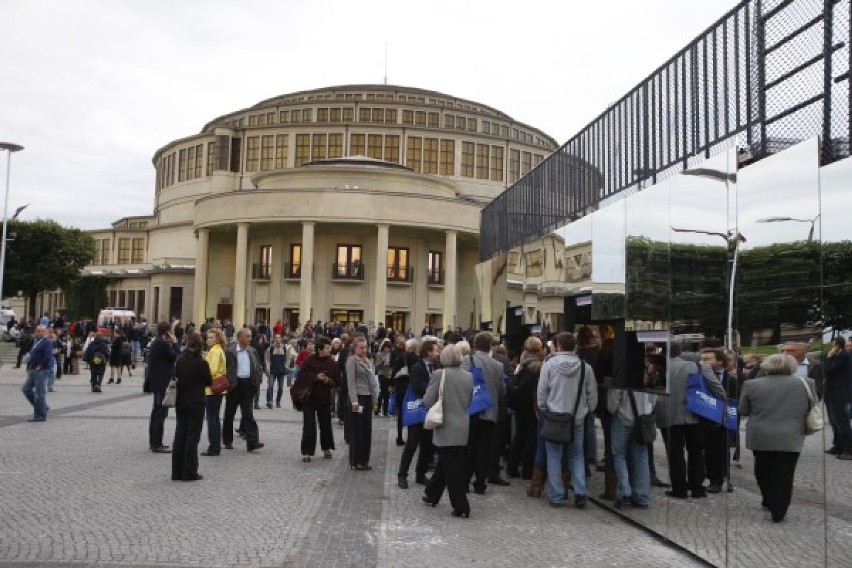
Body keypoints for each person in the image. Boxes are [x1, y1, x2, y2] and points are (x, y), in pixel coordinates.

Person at [739, 353, 817, 522]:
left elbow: (743, 410)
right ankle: (779, 510)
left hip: (761, 434)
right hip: (791, 434)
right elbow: (812, 405)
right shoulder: (807, 384)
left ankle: (768, 498)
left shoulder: (751, 384)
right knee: (785, 472)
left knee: (763, 468)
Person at [656, 343, 725, 499]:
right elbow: (719, 391)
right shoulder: (699, 367)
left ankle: (679, 489)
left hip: (668, 415)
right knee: (696, 451)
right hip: (694, 414)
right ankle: (697, 489)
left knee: (674, 454)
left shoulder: (659, 367)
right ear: (680, 352)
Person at [537, 332, 598, 508]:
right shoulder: (586, 367)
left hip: (555, 416)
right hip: (577, 417)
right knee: (577, 454)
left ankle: (556, 494)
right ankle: (580, 492)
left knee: (554, 455)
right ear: (575, 346)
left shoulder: (548, 365)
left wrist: (544, 408)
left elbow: (542, 391)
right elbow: (592, 394)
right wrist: (588, 410)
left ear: (558, 346)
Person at [422, 344, 474, 518]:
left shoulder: (439, 375)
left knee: (451, 469)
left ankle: (461, 506)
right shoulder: (468, 376)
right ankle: (432, 493)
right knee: (446, 464)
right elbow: (469, 401)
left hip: (445, 426)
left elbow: (428, 401)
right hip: (462, 424)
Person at [464, 332, 506, 495]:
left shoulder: (467, 361)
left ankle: (465, 480)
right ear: (490, 346)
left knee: (468, 447)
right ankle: (480, 483)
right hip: (489, 411)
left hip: (470, 411)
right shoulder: (498, 365)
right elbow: (502, 391)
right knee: (484, 449)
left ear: (474, 345)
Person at [398, 340, 440, 488]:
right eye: (435, 350)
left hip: (429, 411)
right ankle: (402, 475)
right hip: (417, 410)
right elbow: (417, 386)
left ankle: (420, 474)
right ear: (428, 352)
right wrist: (433, 391)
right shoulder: (417, 367)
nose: (438, 353)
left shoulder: (437, 366)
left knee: (427, 445)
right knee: (412, 444)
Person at [171, 333, 212, 481]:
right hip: (196, 402)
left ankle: (176, 471)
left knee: (180, 435)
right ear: (200, 346)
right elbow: (208, 381)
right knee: (192, 437)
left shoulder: (180, 361)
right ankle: (189, 472)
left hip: (181, 402)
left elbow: (175, 376)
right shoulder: (202, 363)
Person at [607, 386, 656, 508]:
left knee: (619, 455)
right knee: (641, 457)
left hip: (623, 418)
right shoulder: (647, 377)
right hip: (643, 419)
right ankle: (641, 495)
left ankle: (625, 492)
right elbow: (654, 399)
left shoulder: (621, 377)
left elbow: (612, 406)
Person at [295, 336, 341, 462]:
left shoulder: (332, 363)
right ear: (319, 349)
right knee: (309, 425)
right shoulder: (309, 361)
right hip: (309, 398)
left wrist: (327, 380)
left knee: (325, 424)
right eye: (327, 348)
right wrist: (316, 377)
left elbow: (337, 381)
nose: (329, 350)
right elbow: (301, 378)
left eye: (330, 348)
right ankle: (307, 452)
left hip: (324, 398)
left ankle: (326, 447)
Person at [507, 336, 544, 480]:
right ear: (539, 349)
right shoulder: (538, 366)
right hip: (532, 405)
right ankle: (527, 471)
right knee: (531, 438)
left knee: (519, 436)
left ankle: (512, 467)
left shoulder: (521, 364)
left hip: (519, 404)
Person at [223, 327, 265, 452]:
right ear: (239, 337)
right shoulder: (229, 351)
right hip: (234, 385)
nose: (250, 339)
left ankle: (252, 442)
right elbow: (224, 367)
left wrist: (257, 381)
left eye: (250, 336)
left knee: (248, 414)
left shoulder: (252, 351)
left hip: (248, 385)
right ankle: (227, 440)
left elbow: (257, 366)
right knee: (229, 414)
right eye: (247, 336)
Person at [147, 322, 180, 453]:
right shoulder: (162, 343)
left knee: (156, 412)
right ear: (167, 332)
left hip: (157, 382)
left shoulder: (157, 342)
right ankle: (157, 443)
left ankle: (154, 442)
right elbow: (176, 355)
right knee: (160, 413)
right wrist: (175, 342)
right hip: (161, 383)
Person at [346, 336, 376, 470]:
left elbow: (373, 383)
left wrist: (374, 400)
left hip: (368, 397)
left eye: (365, 347)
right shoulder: (352, 361)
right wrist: (354, 401)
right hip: (358, 398)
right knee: (357, 430)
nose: (364, 350)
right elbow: (351, 382)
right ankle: (356, 461)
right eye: (361, 347)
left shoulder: (368, 361)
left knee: (366, 430)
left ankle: (364, 460)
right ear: (355, 348)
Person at [822, 336, 852, 459]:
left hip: (839, 394)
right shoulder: (838, 356)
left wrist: (829, 357)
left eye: (833, 344)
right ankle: (838, 445)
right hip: (831, 394)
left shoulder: (843, 356)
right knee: (834, 422)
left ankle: (849, 450)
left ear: (837, 345)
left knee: (842, 423)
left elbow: (828, 369)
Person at [201, 328, 227, 457]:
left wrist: (202, 374)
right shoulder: (217, 350)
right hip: (216, 388)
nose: (208, 340)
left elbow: (212, 369)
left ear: (217, 339)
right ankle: (215, 445)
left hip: (212, 388)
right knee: (214, 417)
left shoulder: (215, 351)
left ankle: (214, 446)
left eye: (211, 337)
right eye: (208, 337)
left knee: (212, 418)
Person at [22, 325, 53, 422]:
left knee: (39, 393)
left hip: (41, 370)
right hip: (33, 369)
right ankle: (43, 406)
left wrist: (40, 365)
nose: (40, 333)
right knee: (26, 389)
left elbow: (48, 355)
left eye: (42, 331)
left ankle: (40, 416)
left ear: (46, 332)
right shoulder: (37, 340)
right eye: (38, 331)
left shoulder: (47, 341)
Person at [267, 334, 289, 408]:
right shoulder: (271, 348)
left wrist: (287, 366)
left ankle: (278, 401)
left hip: (281, 370)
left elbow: (287, 358)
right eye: (276, 337)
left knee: (281, 388)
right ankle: (269, 401)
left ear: (281, 339)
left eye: (279, 337)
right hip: (272, 370)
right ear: (274, 339)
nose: (277, 339)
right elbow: (267, 359)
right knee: (270, 386)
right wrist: (267, 368)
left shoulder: (284, 348)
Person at [374, 339, 394, 416]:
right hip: (382, 374)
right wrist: (382, 361)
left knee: (387, 393)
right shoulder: (379, 354)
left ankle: (385, 411)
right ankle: (378, 408)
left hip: (389, 374)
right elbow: (376, 366)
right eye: (386, 347)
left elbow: (392, 364)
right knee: (383, 391)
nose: (387, 349)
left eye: (388, 348)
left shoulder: (391, 354)